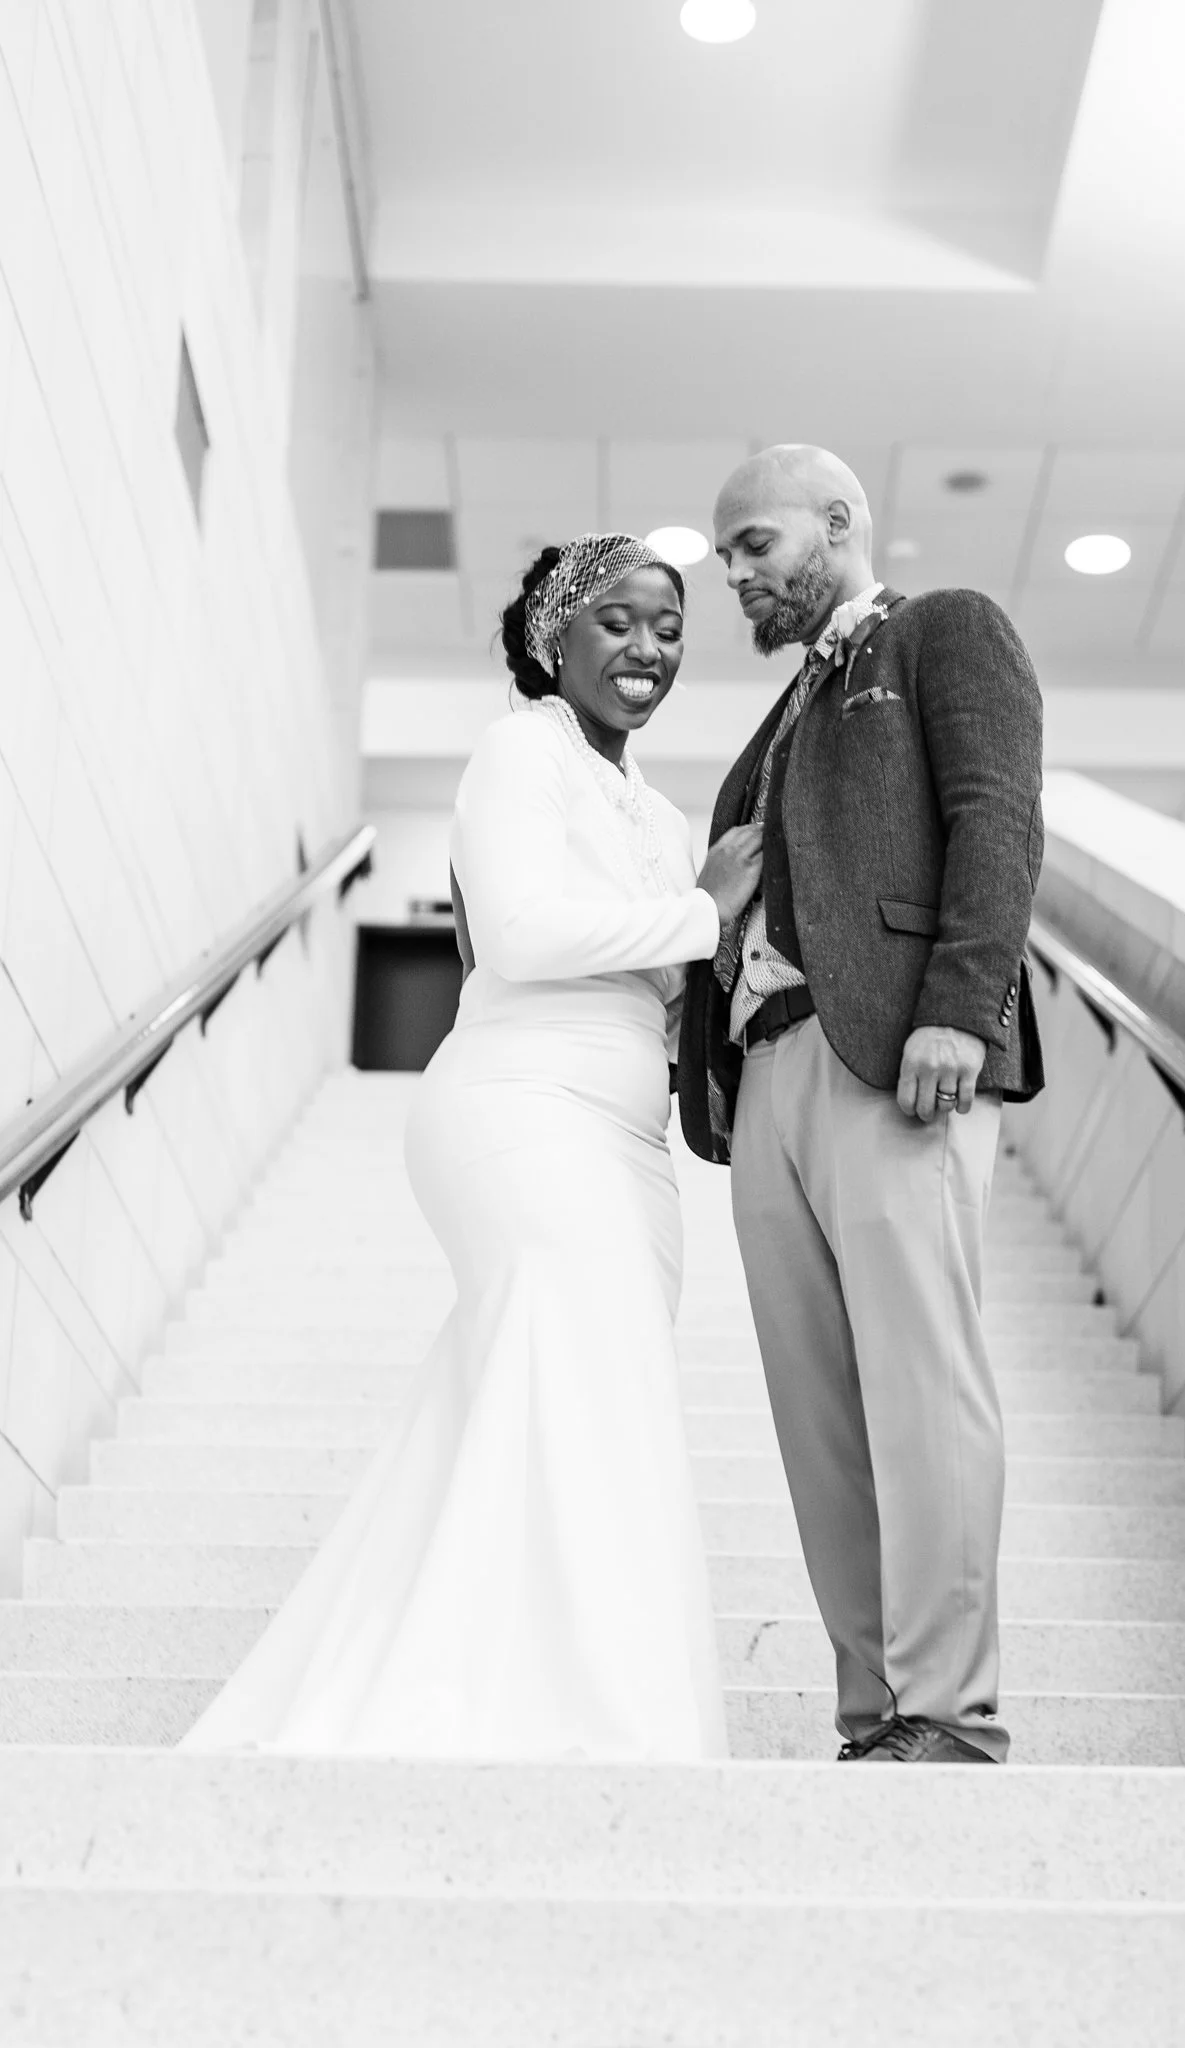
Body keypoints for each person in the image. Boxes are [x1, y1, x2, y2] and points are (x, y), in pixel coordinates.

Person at [183, 534, 763, 1761]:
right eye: (615, 620)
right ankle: (595, 1719)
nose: (647, 646)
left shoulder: (662, 815)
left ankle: (514, 1682)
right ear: (555, 637)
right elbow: (516, 931)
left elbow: (675, 984)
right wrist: (706, 910)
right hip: (516, 1106)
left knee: (560, 1392)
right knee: (572, 1358)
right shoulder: (520, 750)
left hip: (631, 1140)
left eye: (668, 625)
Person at [677, 446, 1045, 1766]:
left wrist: (962, 1002)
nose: (733, 576)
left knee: (919, 1383)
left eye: (754, 545)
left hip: (895, 1055)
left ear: (837, 524)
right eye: (724, 557)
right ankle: (873, 1713)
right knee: (818, 1412)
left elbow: (996, 812)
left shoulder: (944, 632)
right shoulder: (763, 737)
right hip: (760, 1074)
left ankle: (948, 1712)